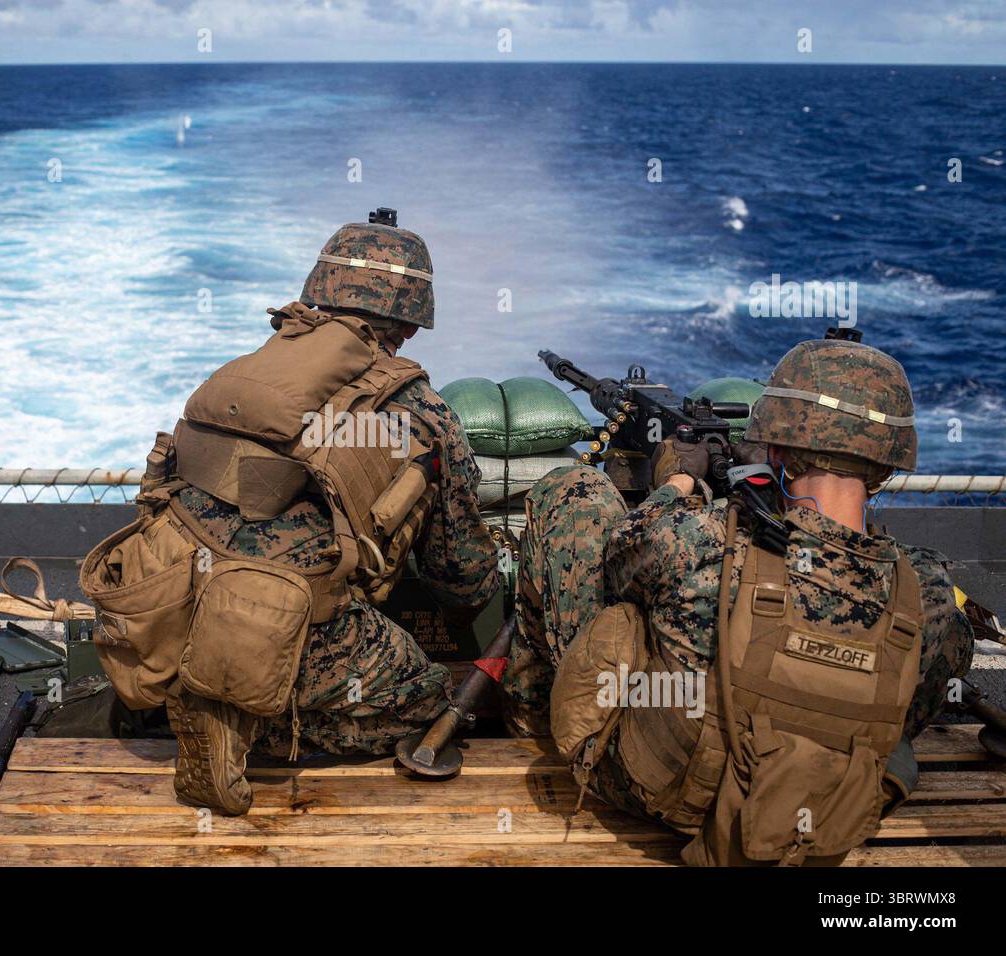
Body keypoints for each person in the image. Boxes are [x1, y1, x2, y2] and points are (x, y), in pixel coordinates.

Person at [542, 333, 973, 865]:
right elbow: (911, 711)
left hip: (666, 796)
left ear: (777, 449)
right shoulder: (925, 591)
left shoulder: (698, 542)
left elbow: (620, 557)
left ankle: (524, 710)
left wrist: (678, 479)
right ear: (887, 467)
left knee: (575, 500)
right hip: (816, 811)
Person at [157, 208, 499, 814]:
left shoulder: (253, 372)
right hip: (284, 626)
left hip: (170, 595)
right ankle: (248, 724)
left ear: (319, 293)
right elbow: (462, 579)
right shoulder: (420, 410)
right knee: (426, 697)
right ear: (411, 324)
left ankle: (192, 691)